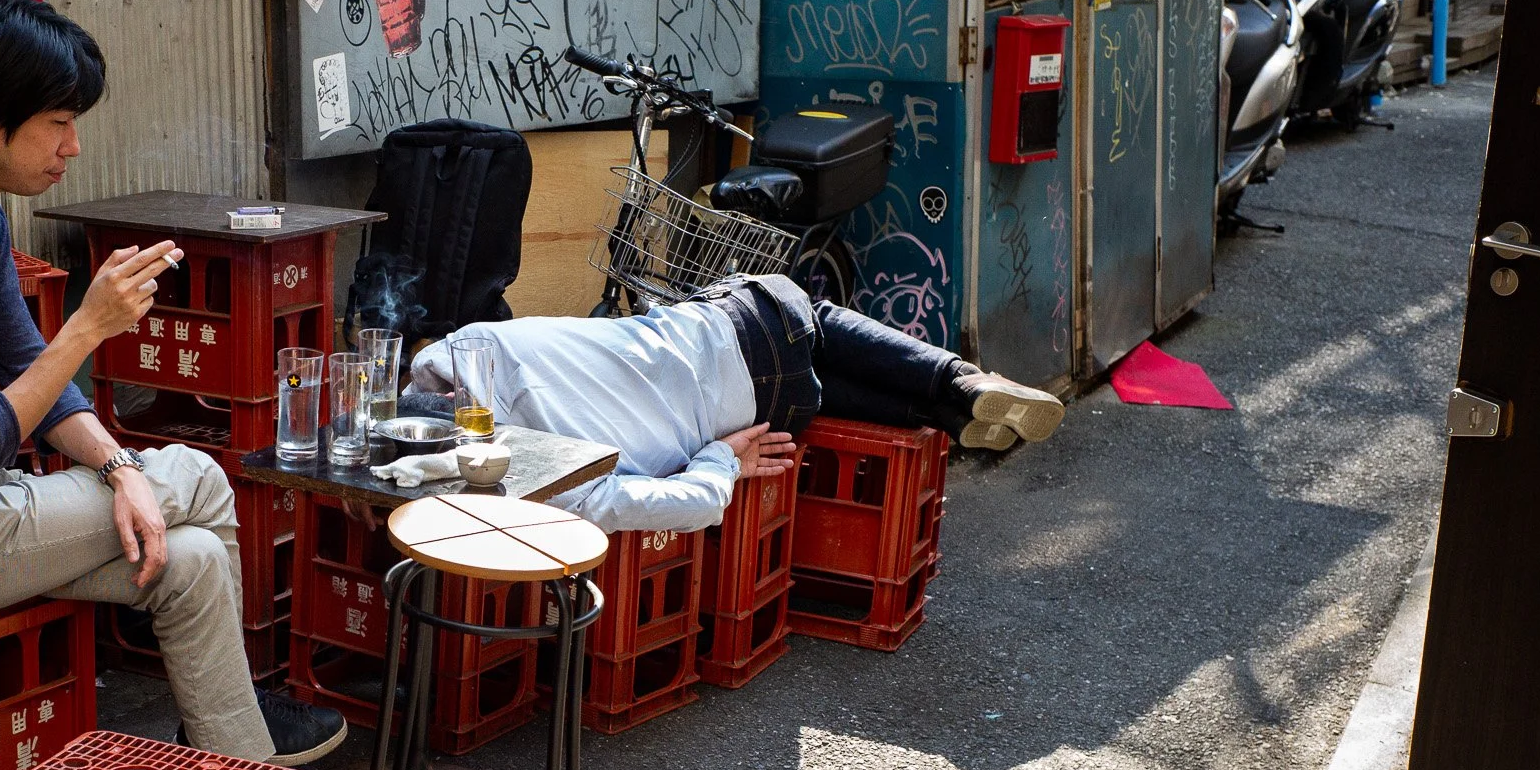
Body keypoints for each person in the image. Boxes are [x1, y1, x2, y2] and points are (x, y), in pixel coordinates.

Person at [0, 0, 347, 766]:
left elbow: (27, 365)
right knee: (197, 475)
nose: (72, 145)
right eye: (57, 121)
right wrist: (87, 326)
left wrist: (119, 469)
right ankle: (244, 752)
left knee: (192, 563)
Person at [407, 274, 1064, 533]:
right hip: (730, 331)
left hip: (750, 408)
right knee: (811, 315)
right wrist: (721, 458)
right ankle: (961, 387)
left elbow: (690, 506)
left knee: (809, 388)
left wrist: (718, 457)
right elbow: (424, 367)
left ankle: (950, 415)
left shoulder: (547, 489)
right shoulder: (479, 344)